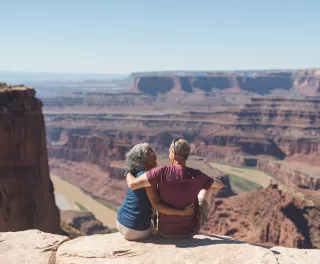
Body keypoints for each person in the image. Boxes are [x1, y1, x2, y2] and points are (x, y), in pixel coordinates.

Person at [126, 138, 224, 238]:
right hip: (189, 232)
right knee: (208, 187)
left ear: (174, 154)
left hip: (165, 232)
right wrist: (204, 180)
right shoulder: (196, 175)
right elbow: (220, 185)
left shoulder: (161, 172)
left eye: (169, 151)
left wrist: (128, 172)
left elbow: (132, 184)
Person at [117, 143, 194, 241]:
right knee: (156, 219)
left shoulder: (133, 173)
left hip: (120, 221)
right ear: (142, 157)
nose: (155, 155)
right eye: (150, 152)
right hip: (136, 230)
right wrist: (183, 213)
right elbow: (157, 206)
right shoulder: (147, 177)